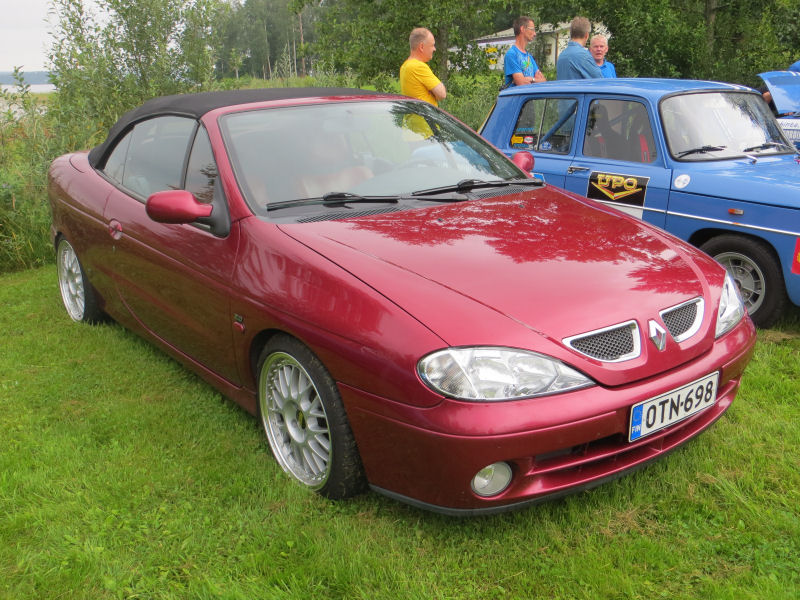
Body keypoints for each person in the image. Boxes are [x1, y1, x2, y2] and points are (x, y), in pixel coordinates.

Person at [400, 27, 446, 106]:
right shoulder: (418, 67)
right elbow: (442, 94)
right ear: (421, 47)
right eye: (432, 45)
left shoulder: (405, 66)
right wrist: (433, 92)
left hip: (413, 113)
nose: (434, 49)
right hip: (424, 114)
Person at [503, 16, 546, 88]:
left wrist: (531, 79)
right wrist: (536, 80)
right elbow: (522, 83)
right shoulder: (512, 54)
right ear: (522, 29)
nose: (535, 34)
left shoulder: (529, 56)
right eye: (532, 29)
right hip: (517, 95)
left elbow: (544, 81)